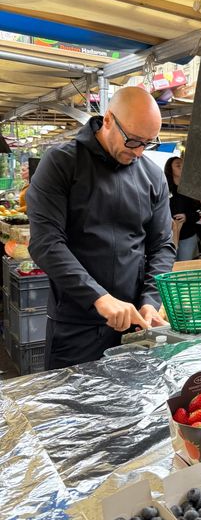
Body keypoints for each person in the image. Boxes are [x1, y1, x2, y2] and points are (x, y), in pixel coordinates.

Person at [27, 87, 176, 369]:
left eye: (147, 143)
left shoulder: (152, 175)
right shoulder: (62, 163)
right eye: (133, 140)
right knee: (72, 397)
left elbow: (162, 246)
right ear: (108, 120)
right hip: (76, 325)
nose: (139, 151)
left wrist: (150, 300)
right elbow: (46, 242)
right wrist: (99, 297)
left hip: (135, 325)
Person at [164, 156, 201, 261]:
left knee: (185, 267)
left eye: (183, 165)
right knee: (169, 266)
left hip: (188, 235)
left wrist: (186, 217)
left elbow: (199, 212)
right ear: (170, 169)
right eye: (178, 165)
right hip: (167, 236)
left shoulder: (190, 189)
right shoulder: (163, 188)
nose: (182, 167)